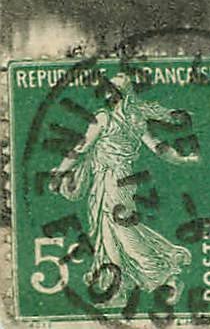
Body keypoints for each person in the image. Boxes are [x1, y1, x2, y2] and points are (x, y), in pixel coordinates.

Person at [51, 73, 200, 297]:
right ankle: (117, 283)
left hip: (111, 179)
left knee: (122, 232)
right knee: (109, 230)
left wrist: (60, 171)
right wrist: (183, 159)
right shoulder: (135, 117)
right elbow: (158, 148)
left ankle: (164, 275)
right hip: (120, 179)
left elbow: (81, 148)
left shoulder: (104, 117)